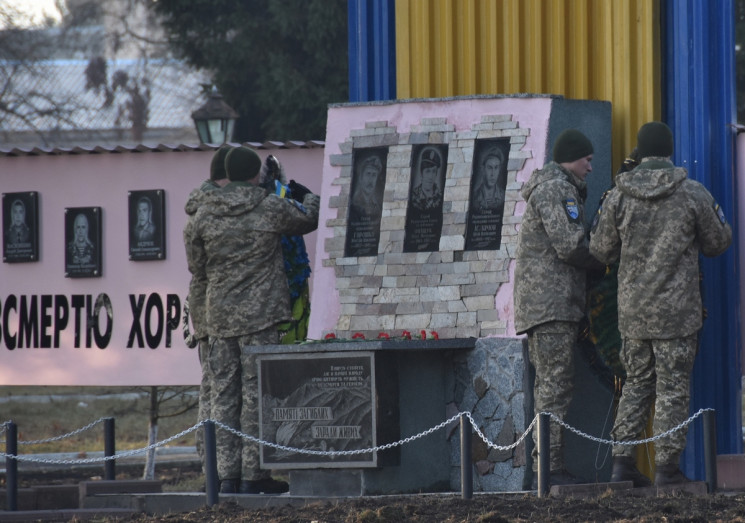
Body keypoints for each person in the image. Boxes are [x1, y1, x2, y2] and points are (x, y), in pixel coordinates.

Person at [589, 121, 732, 486]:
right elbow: (718, 242)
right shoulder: (691, 193)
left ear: (640, 152)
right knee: (672, 386)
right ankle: (667, 470)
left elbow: (600, 249)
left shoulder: (619, 196)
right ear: (669, 151)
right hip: (678, 314)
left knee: (636, 383)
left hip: (634, 314)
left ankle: (622, 464)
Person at [186, 145, 319, 494]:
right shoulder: (268, 208)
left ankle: (225, 477)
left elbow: (197, 270)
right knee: (257, 398)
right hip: (261, 318)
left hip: (218, 319)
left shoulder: (202, 215)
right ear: (255, 174)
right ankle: (254, 475)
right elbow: (308, 218)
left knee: (223, 398)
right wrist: (305, 193)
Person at [513, 129, 603, 487]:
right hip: (550, 305)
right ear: (572, 158)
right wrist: (606, 257)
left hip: (549, 304)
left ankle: (548, 467)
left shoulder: (556, 187)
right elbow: (571, 245)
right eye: (588, 160)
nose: (591, 169)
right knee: (554, 387)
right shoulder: (556, 190)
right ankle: (548, 470)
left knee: (554, 385)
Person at [183, 144, 232, 478]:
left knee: (210, 389)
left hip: (208, 313)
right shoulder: (212, 210)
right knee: (218, 392)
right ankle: (216, 467)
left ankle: (211, 465)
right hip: (216, 314)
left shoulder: (199, 207)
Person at [472, 146, 506, 213]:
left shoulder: (503, 196)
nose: (493, 174)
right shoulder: (475, 196)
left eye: (496, 168)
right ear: (483, 169)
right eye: (490, 168)